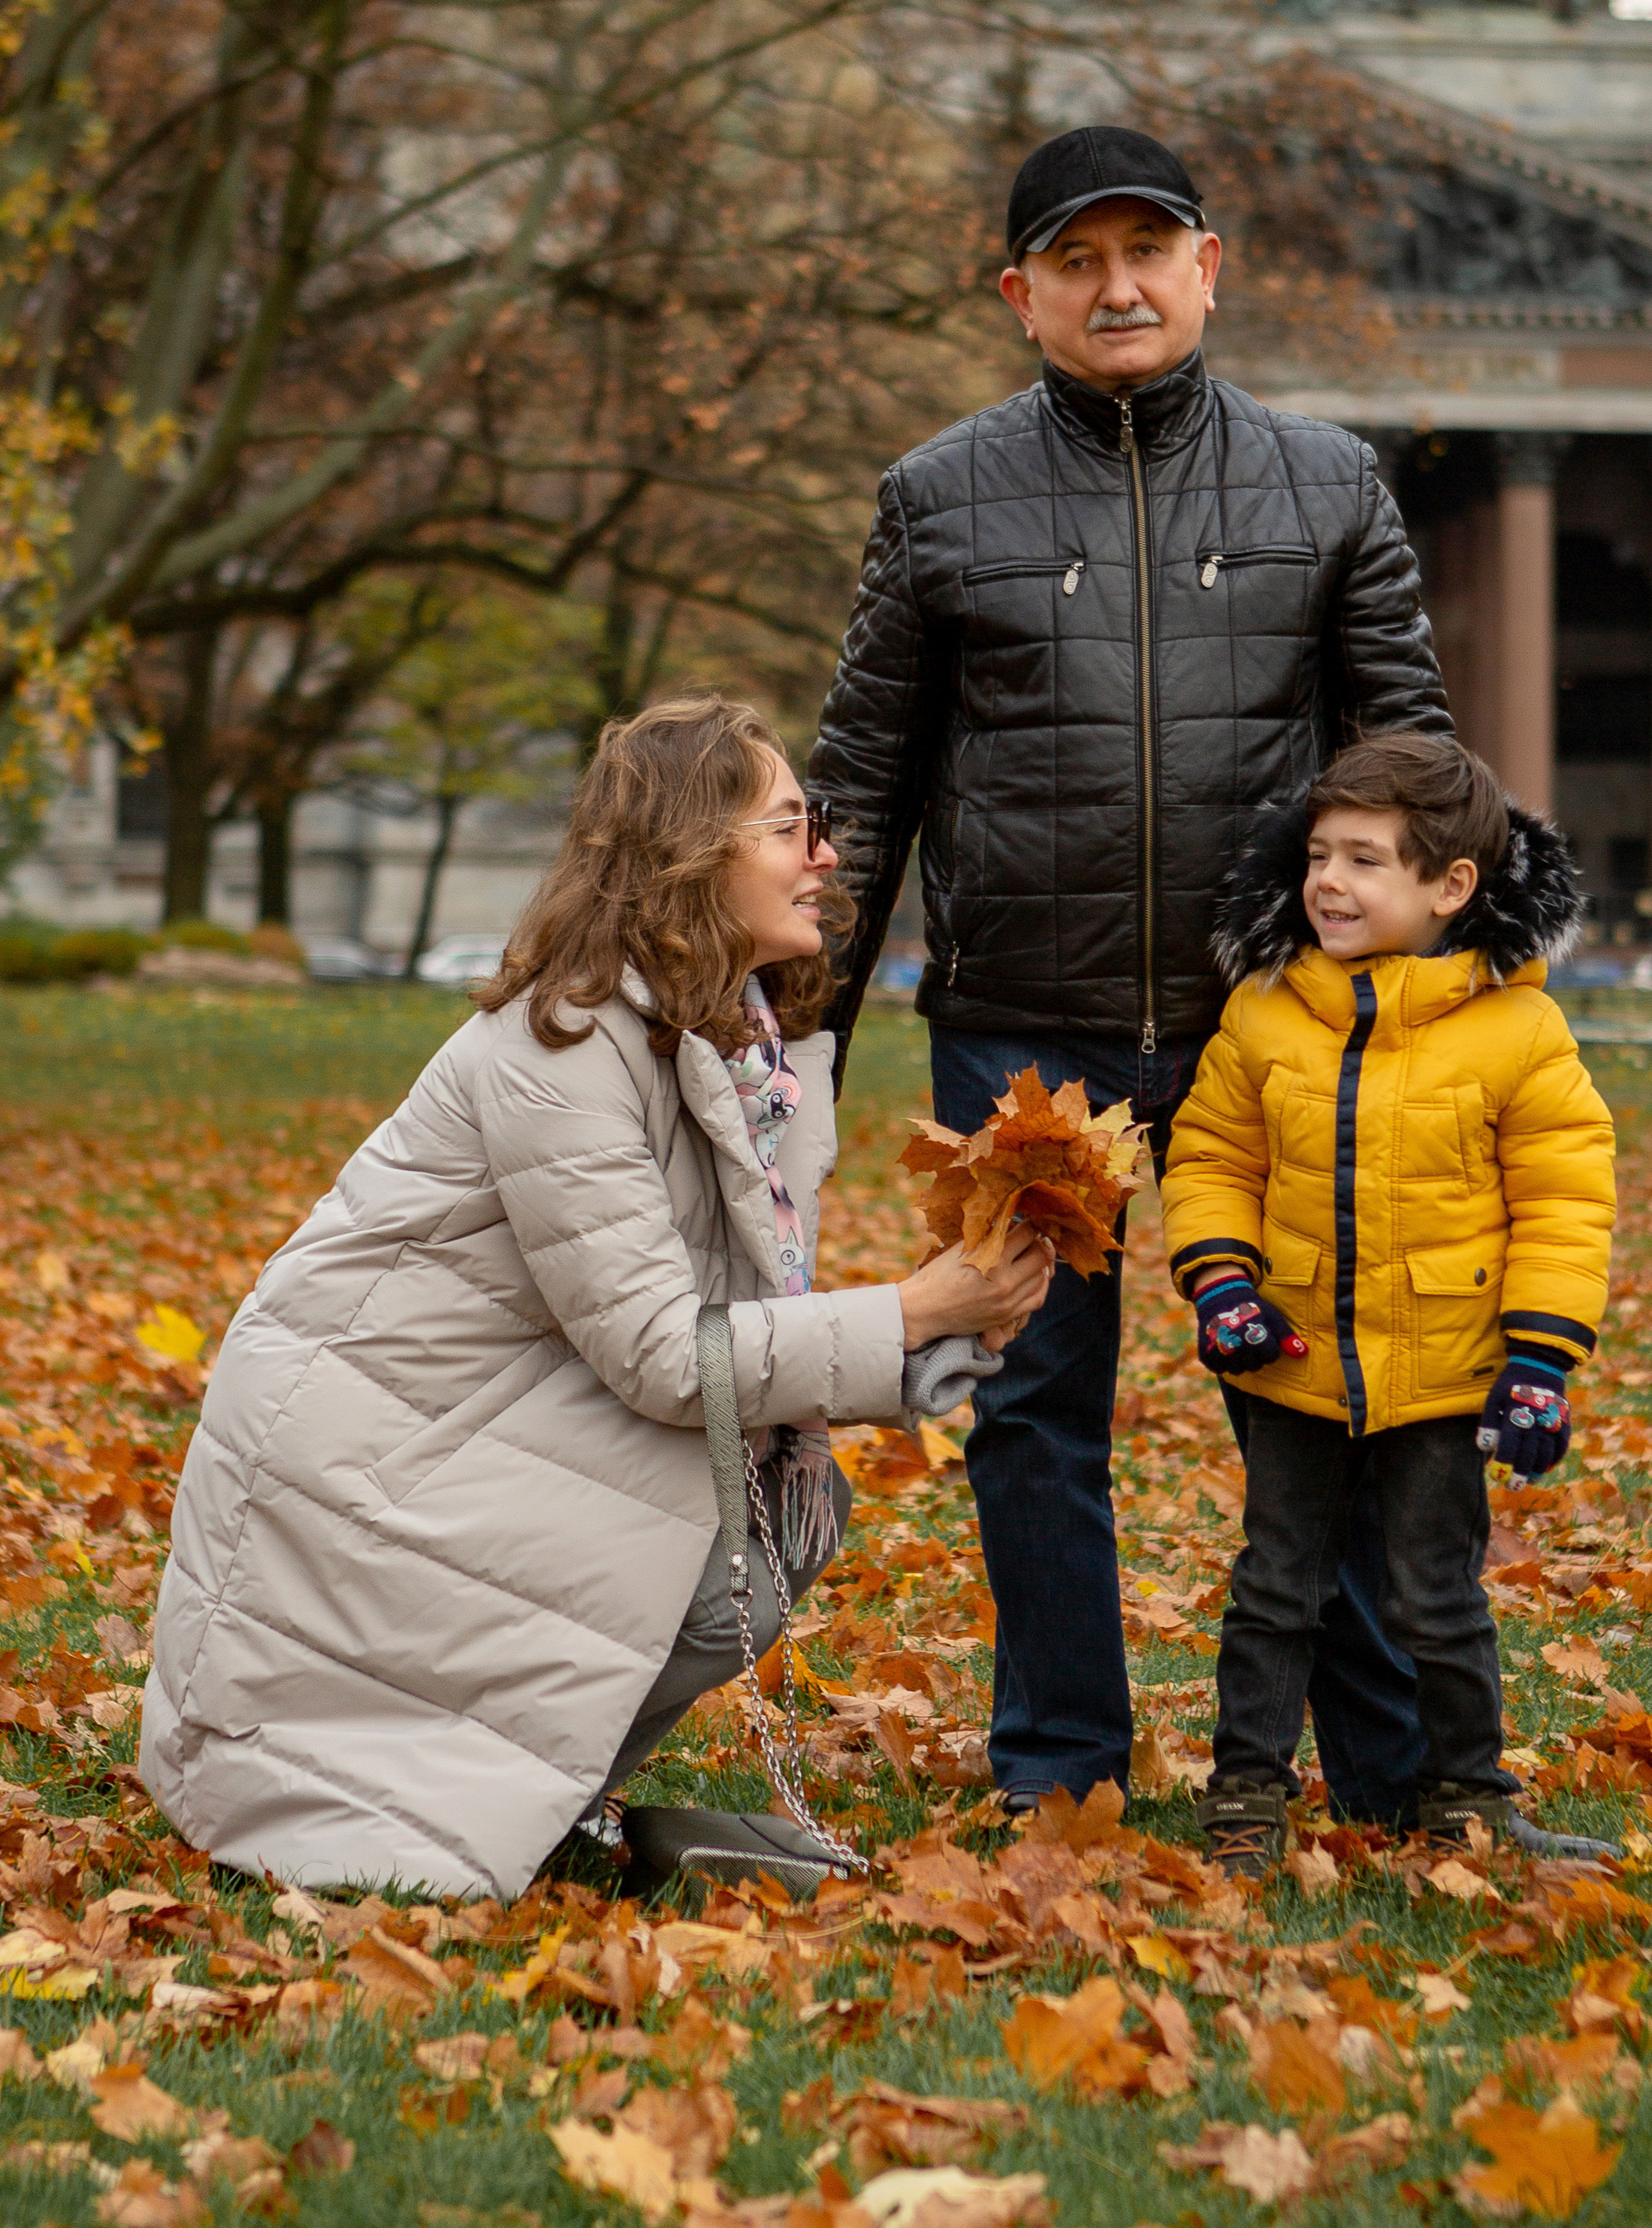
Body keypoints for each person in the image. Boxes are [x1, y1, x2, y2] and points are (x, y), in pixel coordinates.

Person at [139, 695, 1047, 1900]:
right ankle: (431, 1791)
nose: (826, 854)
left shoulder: (744, 1044)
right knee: (742, 1510)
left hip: (488, 1418)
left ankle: (528, 1792)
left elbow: (729, 1320)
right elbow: (670, 1360)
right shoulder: (563, 1043)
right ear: (689, 852)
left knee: (789, 1507)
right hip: (371, 1452)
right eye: (789, 827)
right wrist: (913, 1316)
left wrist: (945, 1334)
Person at [811, 120, 1452, 1815]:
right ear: (1019, 294)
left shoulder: (1329, 485)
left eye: (1145, 253)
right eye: (1075, 262)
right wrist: (789, 1034)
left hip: (1274, 1027)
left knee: (1327, 1398)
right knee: (1031, 1414)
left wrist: (1454, 974)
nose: (1117, 286)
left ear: (1204, 269)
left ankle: (1390, 1776)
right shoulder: (937, 496)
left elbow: (1405, 761)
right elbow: (861, 784)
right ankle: (1062, 1775)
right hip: (1025, 1033)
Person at [1160, 732, 1618, 1872]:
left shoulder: (1517, 1030)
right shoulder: (1269, 1013)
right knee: (1275, 1592)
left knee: (1437, 1596)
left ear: (1448, 887)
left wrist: (1541, 1361)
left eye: (1366, 860)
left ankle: (1469, 1796)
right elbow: (1212, 1157)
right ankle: (1246, 1800)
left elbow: (1565, 1199)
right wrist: (1223, 1285)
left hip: (1448, 1370)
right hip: (1295, 1360)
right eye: (1320, 855)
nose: (1329, 882)